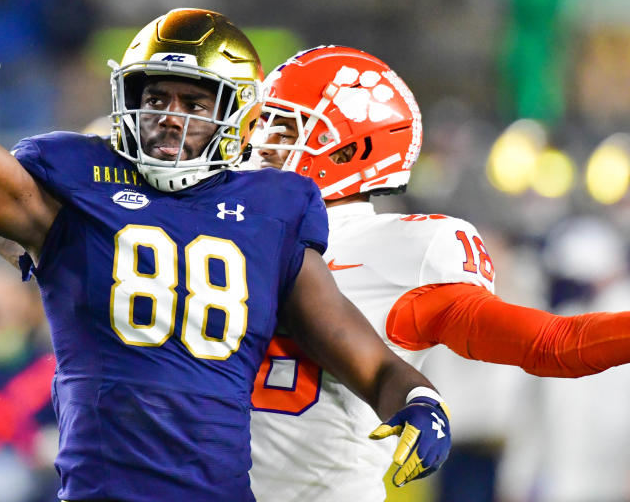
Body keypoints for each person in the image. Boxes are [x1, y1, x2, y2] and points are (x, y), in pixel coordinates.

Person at [0, 0, 452, 500]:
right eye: (156, 95)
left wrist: (417, 399)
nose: (170, 115)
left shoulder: (274, 208)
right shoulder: (76, 181)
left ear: (236, 114)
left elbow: (364, 357)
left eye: (195, 103)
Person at [247, 45, 630, 501]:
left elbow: (554, 343)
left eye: (287, 130)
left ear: (353, 148)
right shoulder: (226, 229)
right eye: (263, 125)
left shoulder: (399, 250)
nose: (260, 145)